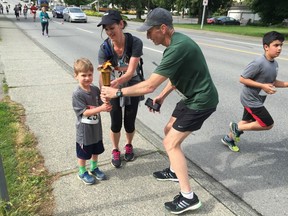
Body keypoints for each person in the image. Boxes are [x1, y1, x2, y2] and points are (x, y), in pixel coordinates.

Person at [101, 7, 218, 214]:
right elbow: (175, 76)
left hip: (201, 101)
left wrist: (117, 93)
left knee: (170, 143)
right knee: (168, 129)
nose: (147, 35)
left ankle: (188, 197)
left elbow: (148, 86)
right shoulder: (175, 44)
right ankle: (174, 171)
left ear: (163, 28)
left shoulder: (177, 48)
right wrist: (162, 97)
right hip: (191, 98)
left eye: (150, 30)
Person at [221, 31, 287, 152]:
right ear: (266, 47)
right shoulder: (258, 63)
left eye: (281, 45)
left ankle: (228, 139)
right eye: (276, 45)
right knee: (268, 124)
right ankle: (237, 128)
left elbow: (272, 81)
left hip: (257, 98)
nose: (279, 48)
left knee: (248, 120)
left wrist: (285, 84)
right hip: (250, 99)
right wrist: (263, 86)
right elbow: (242, 78)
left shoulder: (274, 63)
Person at [97, 10, 144, 168]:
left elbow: (131, 71)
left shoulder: (134, 43)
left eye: (112, 27)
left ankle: (129, 145)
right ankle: (115, 149)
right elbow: (103, 74)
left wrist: (116, 82)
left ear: (121, 24)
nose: (109, 32)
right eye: (106, 29)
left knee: (130, 121)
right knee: (115, 121)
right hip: (112, 86)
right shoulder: (104, 48)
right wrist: (103, 92)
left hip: (132, 84)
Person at [72, 58, 112, 185]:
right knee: (84, 153)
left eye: (90, 75)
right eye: (83, 75)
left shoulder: (95, 89)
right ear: (76, 76)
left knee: (96, 149)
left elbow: (100, 103)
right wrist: (101, 108)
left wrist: (106, 102)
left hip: (96, 128)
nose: (87, 78)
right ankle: (82, 171)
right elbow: (84, 112)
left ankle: (94, 168)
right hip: (84, 131)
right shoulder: (77, 94)